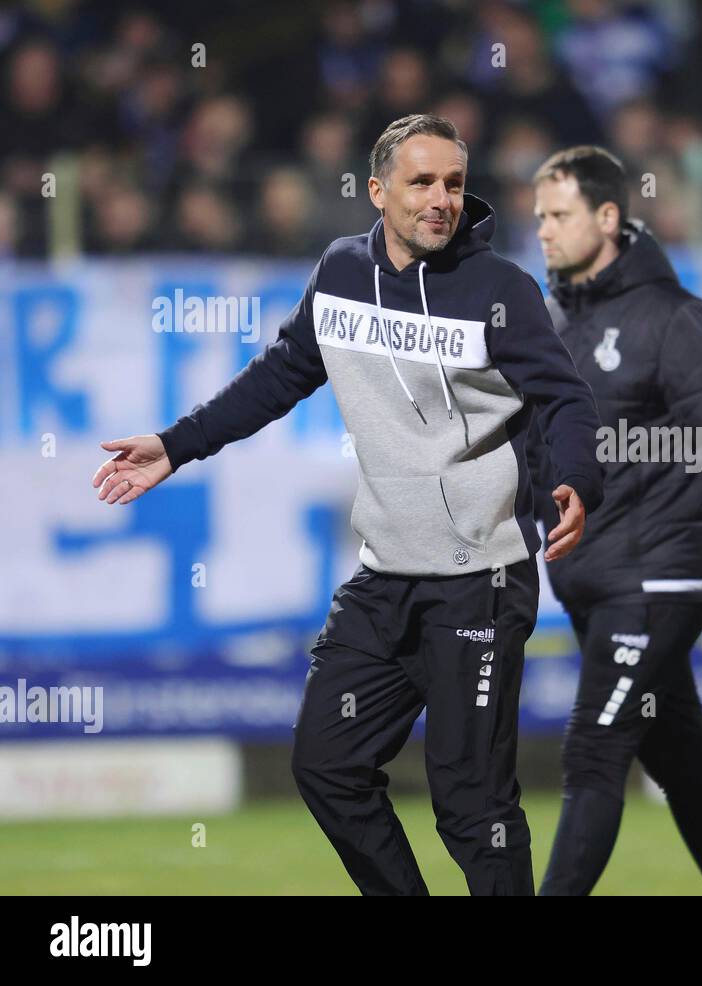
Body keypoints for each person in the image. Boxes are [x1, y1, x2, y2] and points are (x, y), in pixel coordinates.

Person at [91, 114, 604, 896]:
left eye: (455, 184)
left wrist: (576, 479)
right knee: (327, 765)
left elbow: (566, 399)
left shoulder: (499, 290)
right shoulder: (338, 273)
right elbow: (280, 375)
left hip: (481, 578)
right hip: (385, 574)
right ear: (377, 190)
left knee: (472, 803)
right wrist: (178, 443)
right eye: (422, 182)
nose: (442, 200)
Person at [530, 145, 702, 895]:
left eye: (559, 215)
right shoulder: (553, 322)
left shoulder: (675, 320)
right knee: (684, 765)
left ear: (608, 217)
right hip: (592, 581)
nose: (544, 231)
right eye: (539, 217)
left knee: (593, 754)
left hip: (658, 577)